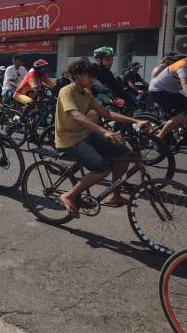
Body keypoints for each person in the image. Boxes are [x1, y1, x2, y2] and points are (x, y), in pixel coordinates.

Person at [55, 59, 149, 217]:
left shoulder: (87, 93)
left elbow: (106, 113)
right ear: (77, 76)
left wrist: (136, 120)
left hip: (86, 134)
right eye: (89, 76)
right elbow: (76, 115)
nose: (92, 79)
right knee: (102, 169)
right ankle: (69, 195)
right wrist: (104, 132)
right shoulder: (66, 91)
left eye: (93, 76)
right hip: (69, 139)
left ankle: (115, 194)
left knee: (124, 153)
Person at [148, 55, 187, 140]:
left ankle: (182, 131)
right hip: (158, 91)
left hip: (171, 92)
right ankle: (159, 138)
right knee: (178, 115)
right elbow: (184, 85)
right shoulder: (182, 66)